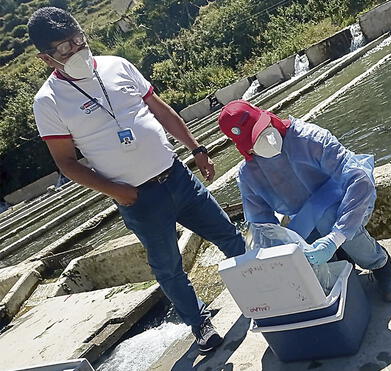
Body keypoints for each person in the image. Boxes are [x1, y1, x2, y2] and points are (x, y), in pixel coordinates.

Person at [28, 7, 245, 352]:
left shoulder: (117, 65)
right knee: (169, 269)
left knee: (230, 237)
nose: (77, 50)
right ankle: (200, 323)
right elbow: (66, 163)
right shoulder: (49, 102)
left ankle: (263, 287)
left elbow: (159, 109)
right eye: (65, 48)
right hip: (139, 199)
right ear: (46, 58)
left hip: (177, 177)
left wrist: (196, 147)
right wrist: (118, 192)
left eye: (78, 39)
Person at [218, 100, 391, 302]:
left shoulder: (309, 138)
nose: (268, 140)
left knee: (327, 219)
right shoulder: (249, 175)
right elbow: (261, 225)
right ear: (245, 148)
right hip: (305, 219)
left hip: (347, 202)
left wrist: (336, 237)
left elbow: (359, 179)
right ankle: (343, 259)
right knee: (297, 246)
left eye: (264, 128)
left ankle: (380, 263)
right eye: (256, 140)